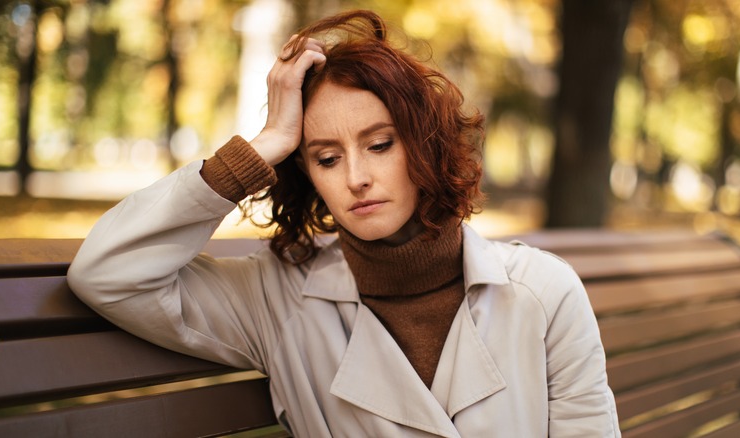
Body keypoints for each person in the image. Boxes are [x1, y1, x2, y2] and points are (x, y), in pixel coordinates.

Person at [68, 9, 620, 437]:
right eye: (326, 158)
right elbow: (107, 273)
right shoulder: (277, 298)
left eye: (380, 145)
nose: (356, 177)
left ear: (424, 145)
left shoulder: (543, 293)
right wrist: (262, 148)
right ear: (306, 172)